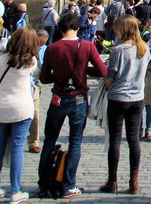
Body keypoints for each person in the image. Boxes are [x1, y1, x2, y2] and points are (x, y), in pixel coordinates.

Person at [36, 12, 107, 199]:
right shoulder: (86, 46)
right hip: (78, 99)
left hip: (58, 98)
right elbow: (102, 71)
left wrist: (59, 77)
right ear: (77, 27)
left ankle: (44, 184)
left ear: (59, 29)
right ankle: (68, 185)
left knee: (49, 141)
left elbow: (43, 78)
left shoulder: (52, 48)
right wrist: (82, 72)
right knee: (75, 142)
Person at [0, 27, 40, 204]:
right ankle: (15, 191)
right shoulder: (30, 62)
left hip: (0, 108)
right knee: (17, 148)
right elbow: (38, 75)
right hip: (22, 109)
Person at [100, 16, 151, 195]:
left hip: (118, 98)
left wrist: (106, 83)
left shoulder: (119, 50)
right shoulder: (145, 49)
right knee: (133, 140)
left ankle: (112, 181)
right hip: (137, 99)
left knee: (115, 139)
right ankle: (134, 181)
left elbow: (110, 76)